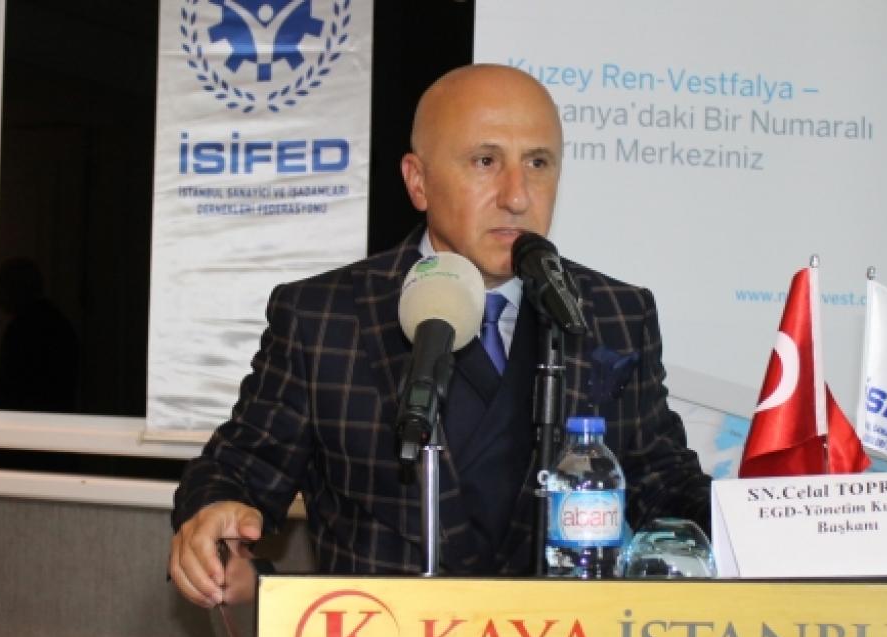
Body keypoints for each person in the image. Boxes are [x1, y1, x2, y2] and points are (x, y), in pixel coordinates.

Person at [168, 64, 710, 607]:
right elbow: (238, 470)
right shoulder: (326, 316)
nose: (517, 196)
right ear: (418, 181)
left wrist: (748, 515)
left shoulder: (613, 313)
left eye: (538, 163)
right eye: (486, 161)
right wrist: (214, 513)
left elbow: (662, 482)